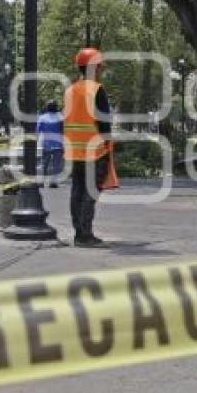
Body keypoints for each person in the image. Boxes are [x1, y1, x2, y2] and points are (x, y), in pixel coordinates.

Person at [64, 48, 118, 247]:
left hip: (74, 151)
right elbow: (104, 121)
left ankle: (79, 233)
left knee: (77, 191)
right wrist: (108, 141)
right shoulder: (96, 89)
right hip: (94, 151)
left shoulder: (70, 90)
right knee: (90, 192)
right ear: (94, 67)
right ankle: (85, 235)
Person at [37, 99, 64, 189]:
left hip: (46, 143)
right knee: (56, 164)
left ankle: (41, 182)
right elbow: (64, 130)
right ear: (56, 107)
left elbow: (38, 130)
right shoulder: (61, 117)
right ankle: (53, 182)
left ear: (47, 107)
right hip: (58, 144)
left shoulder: (42, 117)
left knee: (44, 163)